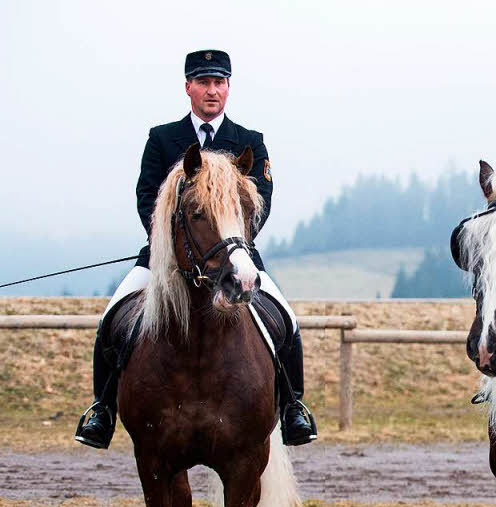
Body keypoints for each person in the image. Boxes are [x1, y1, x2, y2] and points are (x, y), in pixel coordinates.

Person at [75, 49, 317, 448]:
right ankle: (102, 409)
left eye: (219, 82)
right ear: (188, 87)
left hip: (234, 258)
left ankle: (293, 408)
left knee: (287, 321)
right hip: (166, 259)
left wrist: (235, 249)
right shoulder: (163, 138)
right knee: (110, 319)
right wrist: (169, 249)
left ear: (228, 88)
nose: (212, 91)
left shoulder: (248, 142)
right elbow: (147, 199)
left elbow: (261, 202)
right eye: (203, 82)